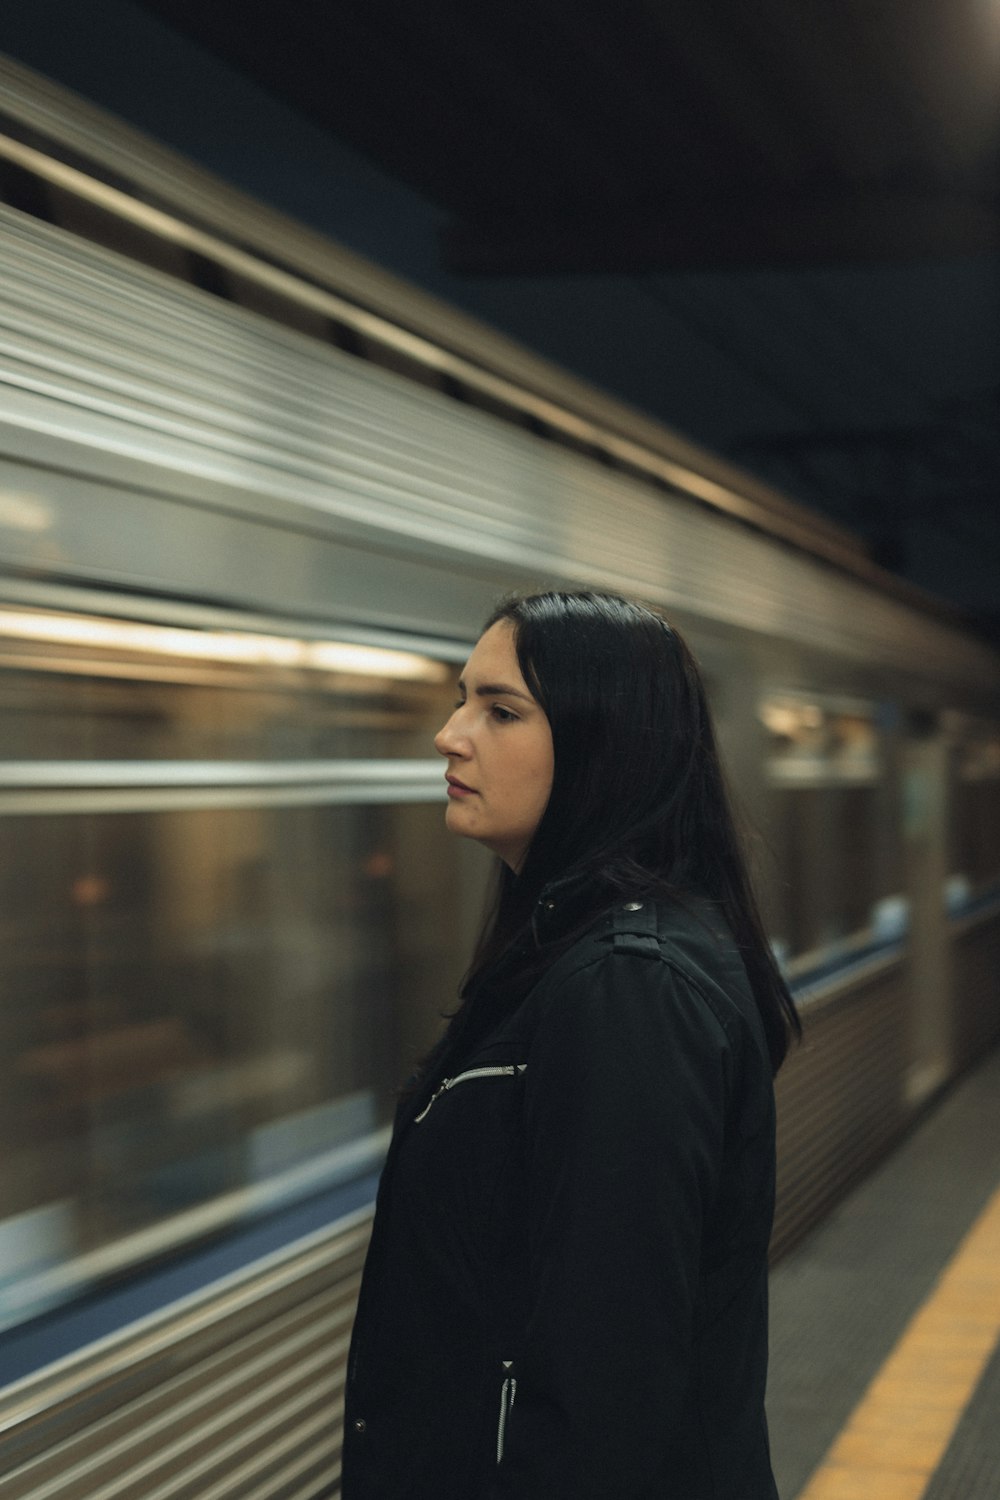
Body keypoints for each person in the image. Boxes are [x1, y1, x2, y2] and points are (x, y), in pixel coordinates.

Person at [342, 590, 799, 1500]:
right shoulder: (570, 952)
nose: (450, 734)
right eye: (463, 698)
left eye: (500, 710)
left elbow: (607, 1391)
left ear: (605, 747)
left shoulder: (632, 988)